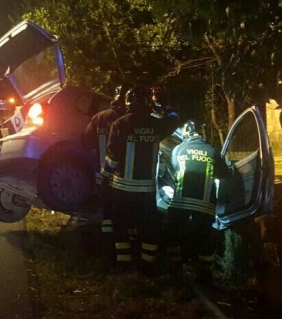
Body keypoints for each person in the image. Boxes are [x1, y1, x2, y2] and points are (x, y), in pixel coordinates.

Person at [105, 86, 179, 276]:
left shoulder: (120, 124)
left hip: (121, 188)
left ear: (128, 102)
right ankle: (146, 268)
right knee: (148, 229)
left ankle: (124, 266)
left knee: (121, 227)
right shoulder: (156, 125)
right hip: (146, 191)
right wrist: (163, 103)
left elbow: (112, 158)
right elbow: (174, 120)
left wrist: (105, 177)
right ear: (147, 102)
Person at [163, 120, 229, 285]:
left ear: (185, 133)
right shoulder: (213, 152)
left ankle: (175, 271)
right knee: (205, 239)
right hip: (205, 204)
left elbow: (175, 168)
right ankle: (205, 276)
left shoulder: (178, 149)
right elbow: (224, 175)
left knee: (172, 234)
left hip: (180, 202)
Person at [84, 84, 131, 247]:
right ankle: (122, 248)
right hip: (122, 177)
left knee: (105, 211)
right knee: (122, 213)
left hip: (101, 173)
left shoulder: (99, 118)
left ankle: (105, 246)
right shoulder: (129, 121)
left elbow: (87, 141)